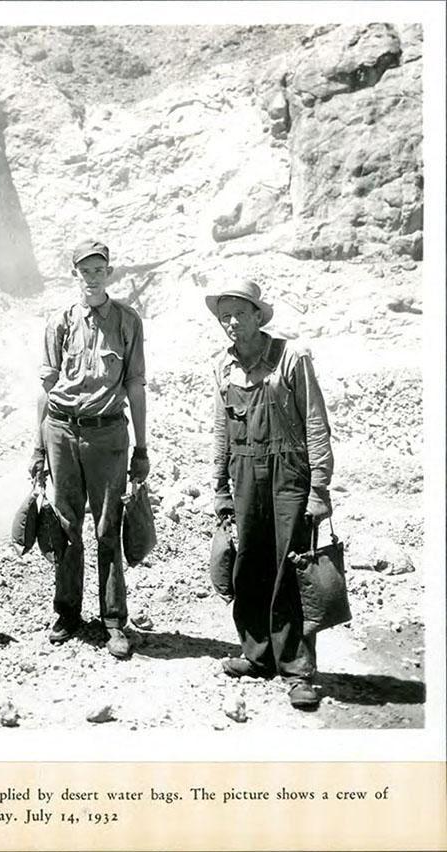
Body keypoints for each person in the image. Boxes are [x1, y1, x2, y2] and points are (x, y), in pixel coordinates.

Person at [208, 279, 334, 710]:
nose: (232, 322)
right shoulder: (223, 368)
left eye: (240, 313)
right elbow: (222, 431)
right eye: (225, 315)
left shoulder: (290, 357)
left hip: (289, 472)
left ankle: (299, 671)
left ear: (259, 316)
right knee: (250, 564)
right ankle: (257, 654)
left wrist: (319, 487)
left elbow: (315, 422)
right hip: (243, 470)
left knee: (293, 568)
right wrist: (220, 488)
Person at [28, 239, 149, 659]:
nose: (92, 277)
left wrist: (142, 446)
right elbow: (46, 390)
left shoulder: (127, 321)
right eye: (85, 270)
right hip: (62, 430)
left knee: (107, 527)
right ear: (74, 273)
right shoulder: (59, 322)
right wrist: (38, 447)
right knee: (64, 525)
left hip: (109, 434)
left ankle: (114, 621)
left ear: (109, 273)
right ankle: (68, 613)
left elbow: (134, 385)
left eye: (99, 270)